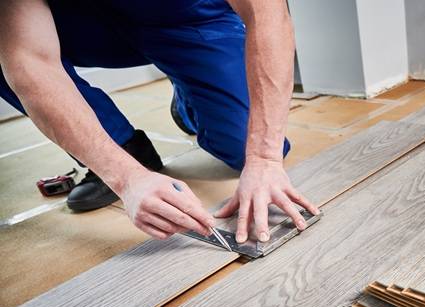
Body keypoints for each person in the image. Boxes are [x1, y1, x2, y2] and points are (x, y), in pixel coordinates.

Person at [0, 0, 319, 244]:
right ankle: (126, 147)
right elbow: (28, 59)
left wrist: (264, 158)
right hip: (83, 21)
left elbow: (268, 17)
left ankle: (190, 100)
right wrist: (126, 177)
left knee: (243, 143)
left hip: (185, 14)